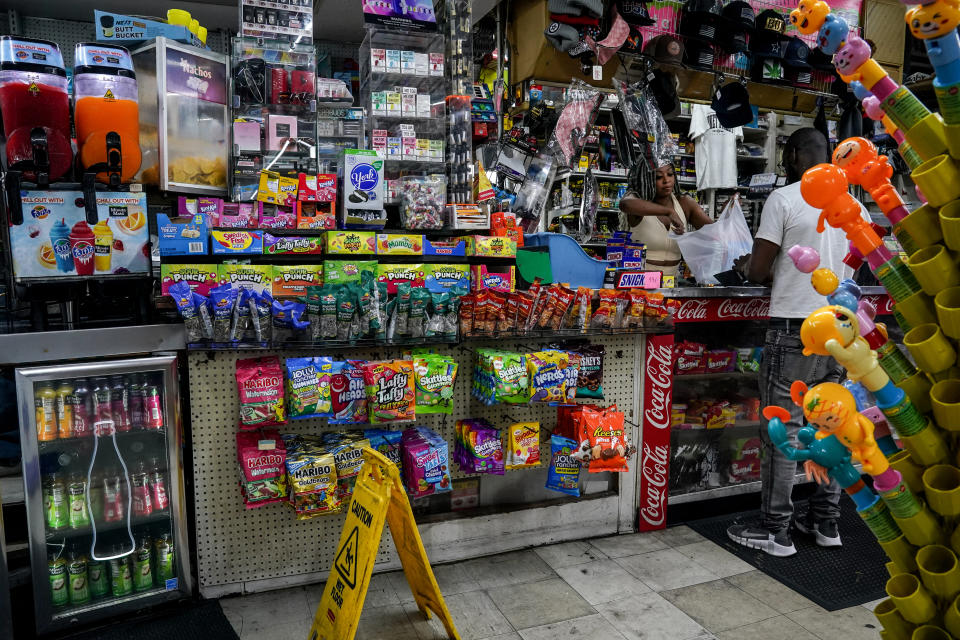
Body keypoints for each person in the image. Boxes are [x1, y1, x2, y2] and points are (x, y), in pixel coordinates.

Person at [726, 128, 869, 557]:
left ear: (790, 156)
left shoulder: (784, 198)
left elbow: (756, 271)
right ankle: (825, 522)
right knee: (832, 426)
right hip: (842, 331)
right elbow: (855, 269)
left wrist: (754, 265)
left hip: (794, 330)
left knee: (784, 430)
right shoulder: (854, 203)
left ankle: (776, 531)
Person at [619, 162, 713, 279]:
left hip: (672, 282)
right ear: (646, 179)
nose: (666, 180)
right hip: (639, 283)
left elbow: (714, 232)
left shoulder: (684, 203)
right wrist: (668, 212)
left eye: (670, 174)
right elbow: (625, 204)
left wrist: (729, 214)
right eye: (658, 177)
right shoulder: (637, 201)